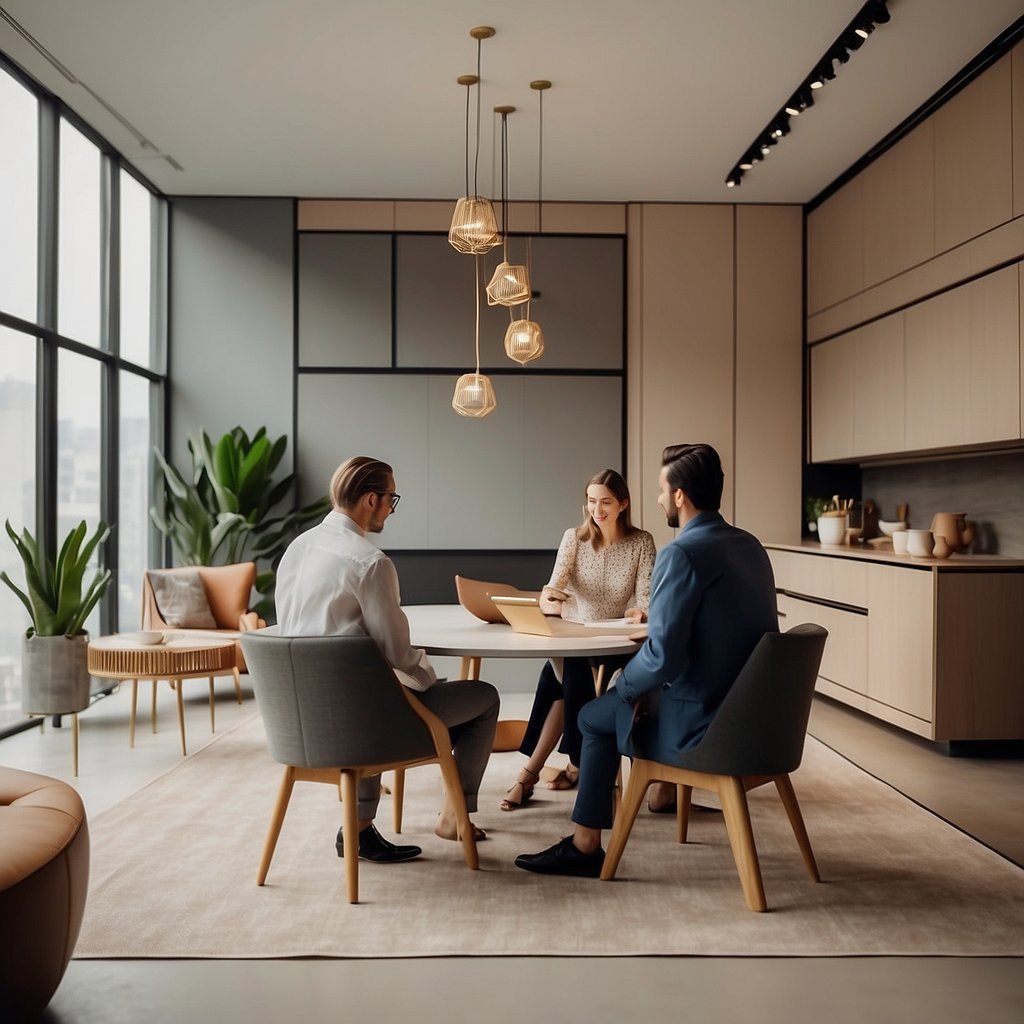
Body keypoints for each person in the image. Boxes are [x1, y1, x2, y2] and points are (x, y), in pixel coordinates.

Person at [514, 442, 778, 877]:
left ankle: (584, 846)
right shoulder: (750, 546)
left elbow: (661, 658)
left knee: (594, 716)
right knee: (614, 702)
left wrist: (625, 688)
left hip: (703, 725)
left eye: (661, 489)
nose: (658, 499)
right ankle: (657, 797)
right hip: (755, 722)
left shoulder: (682, 553)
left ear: (679, 495)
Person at [276, 455, 500, 864]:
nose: (391, 511)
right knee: (482, 698)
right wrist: (431, 681)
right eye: (391, 500)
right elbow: (398, 653)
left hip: (299, 722)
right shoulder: (369, 563)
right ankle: (455, 817)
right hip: (360, 728)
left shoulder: (296, 549)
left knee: (372, 687)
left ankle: (358, 829)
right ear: (371, 500)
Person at [500, 469, 656, 812]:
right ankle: (567, 765)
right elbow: (553, 587)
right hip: (575, 637)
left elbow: (646, 598)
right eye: (590, 501)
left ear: (623, 504)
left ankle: (538, 773)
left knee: (560, 682)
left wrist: (640, 613)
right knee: (568, 669)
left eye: (605, 502)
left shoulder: (641, 542)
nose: (596, 510)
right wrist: (549, 601)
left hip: (616, 641)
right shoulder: (574, 538)